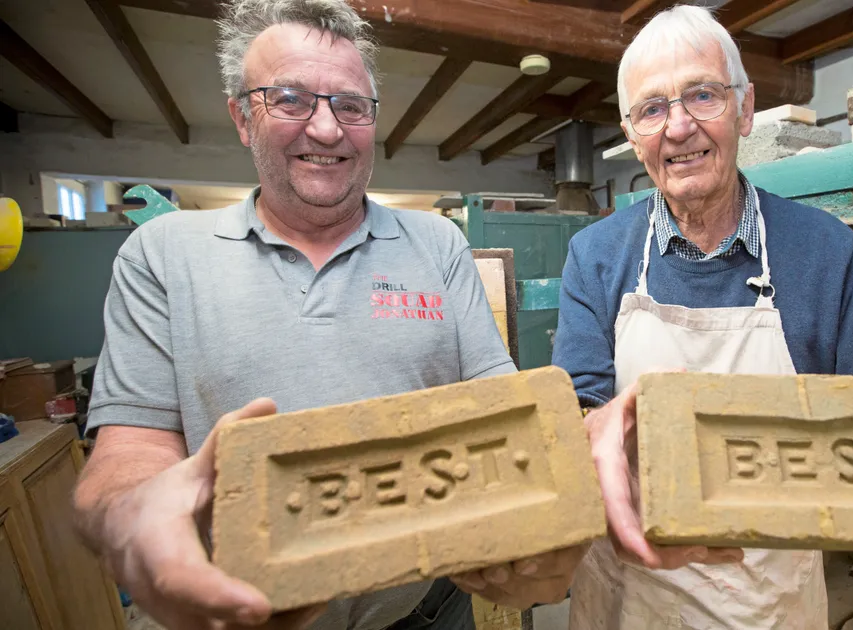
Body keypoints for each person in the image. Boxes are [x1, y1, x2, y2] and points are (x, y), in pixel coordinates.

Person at [71, 1, 582, 628]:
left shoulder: (438, 244)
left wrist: (557, 501)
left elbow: (499, 402)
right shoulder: (163, 253)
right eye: (289, 99)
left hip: (425, 609)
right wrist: (137, 516)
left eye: (349, 105)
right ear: (241, 117)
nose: (326, 129)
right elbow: (130, 447)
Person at [551, 5, 853, 628]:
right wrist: (589, 430)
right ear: (631, 133)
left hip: (765, 597)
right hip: (629, 590)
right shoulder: (596, 253)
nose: (678, 127)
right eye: (652, 109)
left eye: (702, 95)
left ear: (745, 108)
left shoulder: (823, 249)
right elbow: (576, 407)